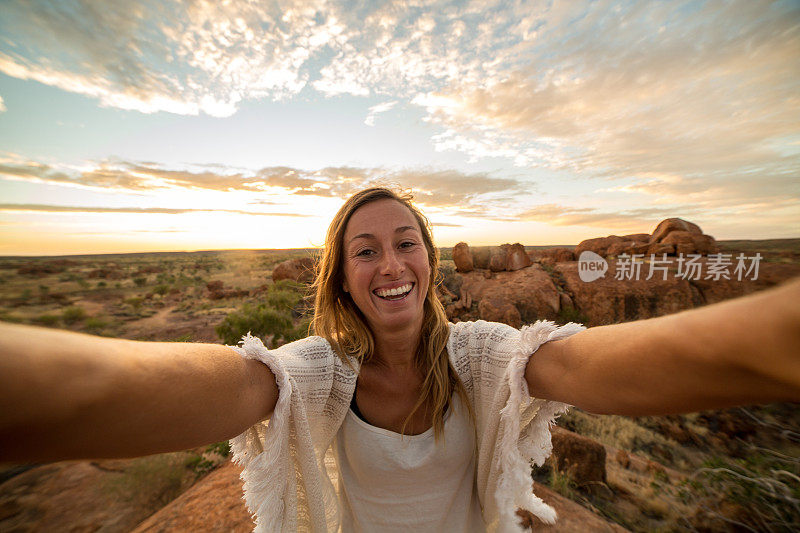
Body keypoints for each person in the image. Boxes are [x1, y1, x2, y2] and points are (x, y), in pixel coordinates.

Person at [1, 187, 799, 533]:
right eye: (366, 250)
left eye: (406, 242)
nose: (391, 264)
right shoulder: (317, 372)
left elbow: (584, 366)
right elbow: (219, 384)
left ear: (429, 258)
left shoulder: (484, 356)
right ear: (343, 277)